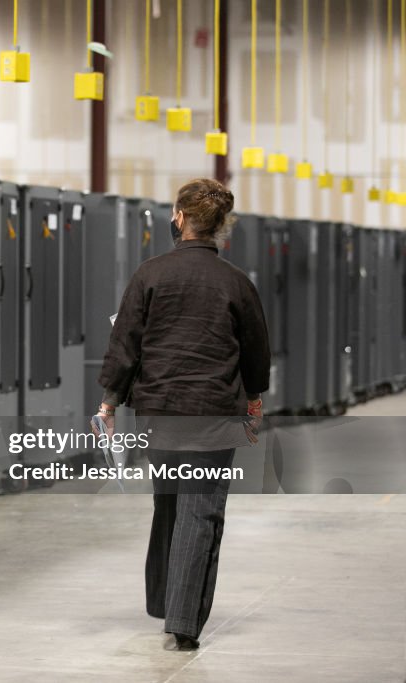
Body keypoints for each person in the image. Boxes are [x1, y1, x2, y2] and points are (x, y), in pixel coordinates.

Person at [92, 178, 271, 651]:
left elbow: (125, 344)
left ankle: (168, 603)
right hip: (212, 415)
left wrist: (109, 403)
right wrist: (254, 404)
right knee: (201, 512)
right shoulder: (236, 283)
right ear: (220, 227)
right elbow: (255, 353)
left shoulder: (150, 275)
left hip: (159, 414)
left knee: (169, 504)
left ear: (178, 217)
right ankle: (183, 621)